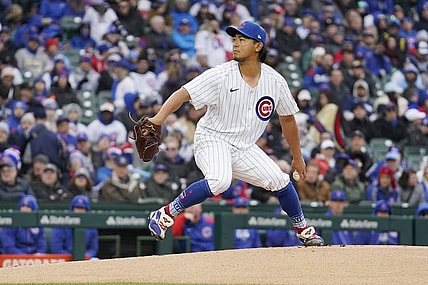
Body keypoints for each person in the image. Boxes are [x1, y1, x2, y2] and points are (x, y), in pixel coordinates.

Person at [147, 21, 324, 246]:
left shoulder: (275, 81)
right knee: (220, 181)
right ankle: (165, 214)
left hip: (244, 146)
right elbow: (183, 93)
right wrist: (157, 120)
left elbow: (288, 119)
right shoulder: (221, 74)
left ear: (258, 46)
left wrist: (297, 157)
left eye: (242, 39)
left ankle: (303, 230)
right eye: (235, 39)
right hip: (212, 137)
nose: (236, 43)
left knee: (280, 180)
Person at [50, 195, 98, 259]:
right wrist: (72, 258)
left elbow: (93, 248)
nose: (79, 211)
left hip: (85, 259)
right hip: (64, 259)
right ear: (72, 209)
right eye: (77, 208)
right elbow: (56, 249)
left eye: (82, 208)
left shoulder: (91, 227)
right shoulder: (61, 223)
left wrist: (86, 256)